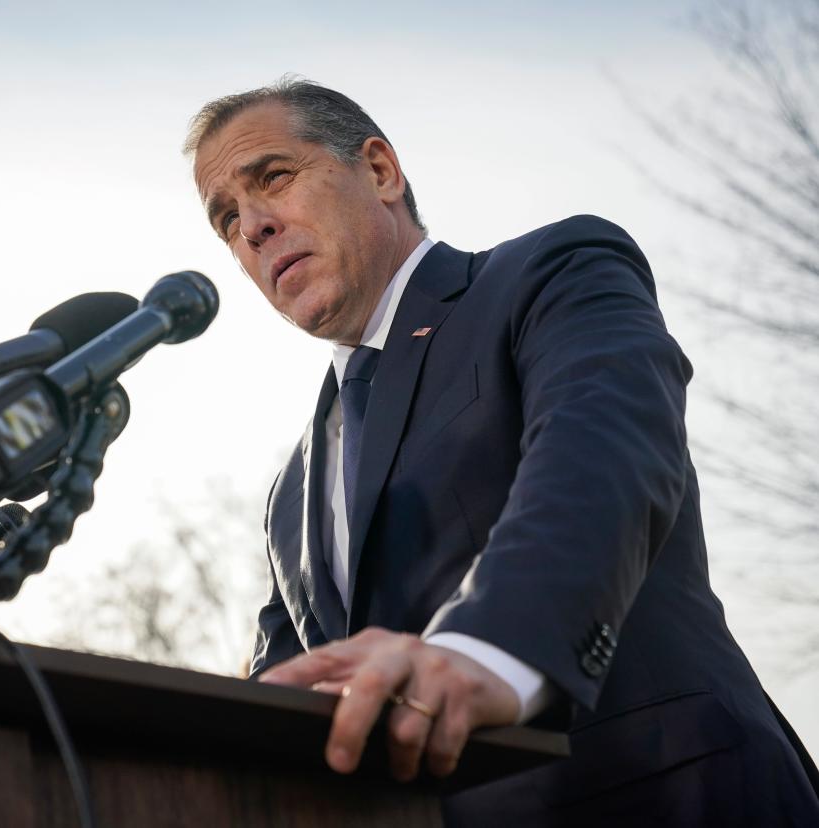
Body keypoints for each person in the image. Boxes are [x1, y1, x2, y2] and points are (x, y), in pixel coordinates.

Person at [185, 78, 819, 825]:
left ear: (381, 171)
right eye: (226, 219)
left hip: (659, 794)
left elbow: (600, 453)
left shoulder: (551, 272)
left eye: (274, 178)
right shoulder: (290, 496)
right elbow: (290, 687)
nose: (252, 226)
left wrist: (486, 650)